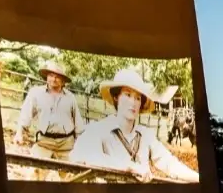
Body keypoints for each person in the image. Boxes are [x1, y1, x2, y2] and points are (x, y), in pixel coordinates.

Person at [71, 68, 200, 183]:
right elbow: (78, 156)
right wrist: (128, 166)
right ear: (116, 97)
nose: (133, 103)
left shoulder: (146, 135)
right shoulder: (100, 129)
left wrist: (199, 178)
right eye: (127, 95)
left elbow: (169, 163)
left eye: (138, 98)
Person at [12, 59, 83, 160]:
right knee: (36, 173)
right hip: (44, 142)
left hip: (66, 145)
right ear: (46, 77)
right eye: (51, 75)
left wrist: (79, 145)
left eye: (57, 77)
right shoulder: (36, 93)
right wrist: (19, 134)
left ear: (63, 81)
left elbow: (78, 124)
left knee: (71, 174)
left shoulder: (70, 97)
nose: (53, 79)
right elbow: (25, 115)